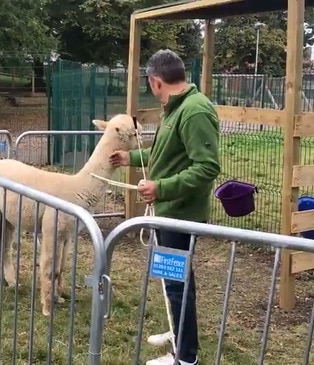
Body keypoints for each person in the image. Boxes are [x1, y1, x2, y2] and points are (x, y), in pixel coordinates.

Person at [110, 49, 221, 365]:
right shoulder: (175, 109)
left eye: (150, 84)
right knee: (173, 280)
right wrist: (129, 158)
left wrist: (161, 188)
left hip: (180, 214)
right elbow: (165, 153)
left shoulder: (195, 112)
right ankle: (179, 332)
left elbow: (207, 167)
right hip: (167, 211)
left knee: (177, 283)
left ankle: (185, 357)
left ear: (155, 81)